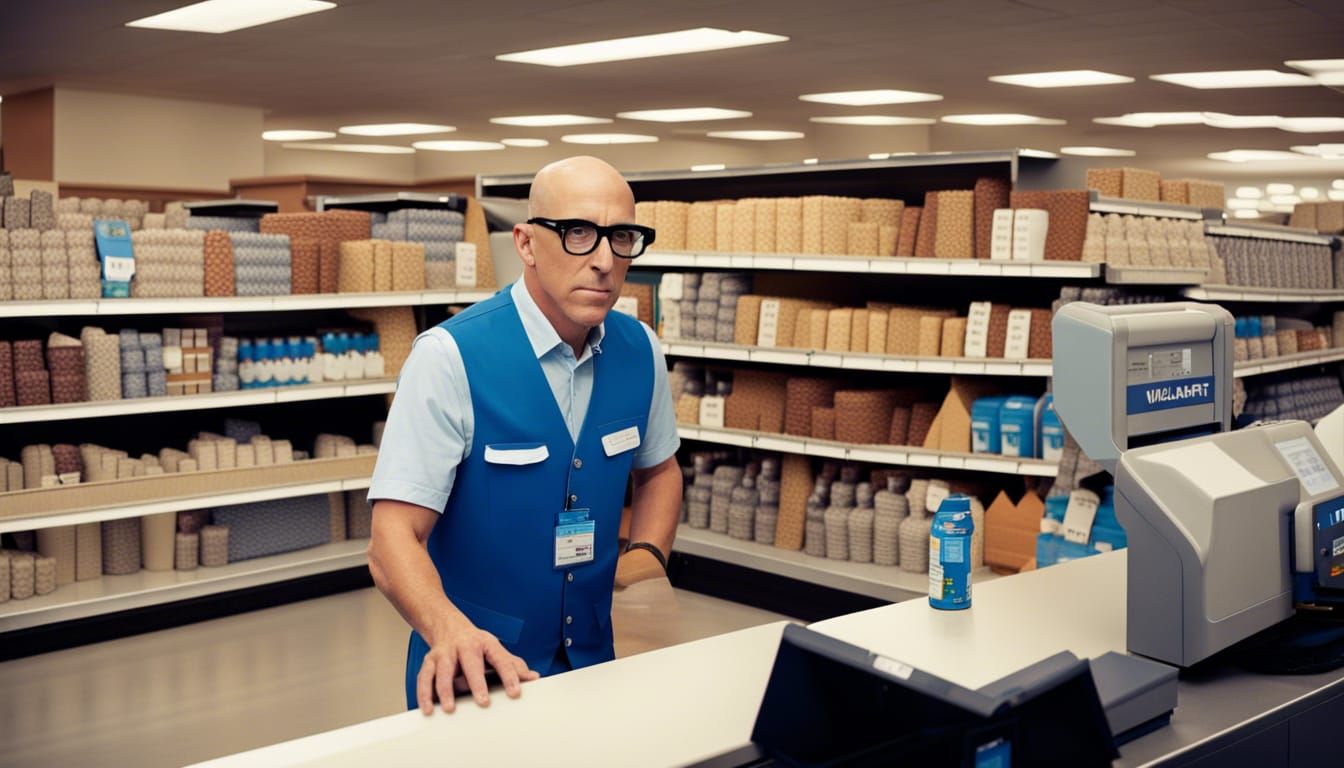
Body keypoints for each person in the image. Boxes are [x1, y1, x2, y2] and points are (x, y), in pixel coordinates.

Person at [366, 156, 682, 715]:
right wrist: (449, 630)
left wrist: (646, 560)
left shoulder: (641, 352)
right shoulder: (450, 357)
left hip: (594, 661)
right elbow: (391, 538)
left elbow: (659, 470)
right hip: (473, 674)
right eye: (578, 233)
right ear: (527, 243)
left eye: (622, 237)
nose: (605, 261)